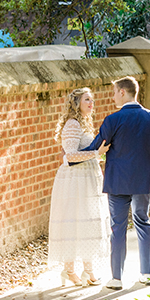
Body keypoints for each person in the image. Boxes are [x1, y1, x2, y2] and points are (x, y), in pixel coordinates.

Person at [83, 76, 150, 290]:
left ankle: (116, 278)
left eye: (114, 92)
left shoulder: (112, 120)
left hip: (118, 182)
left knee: (117, 228)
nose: (112, 97)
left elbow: (96, 145)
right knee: (143, 222)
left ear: (122, 92)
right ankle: (147, 273)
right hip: (143, 182)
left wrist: (73, 157)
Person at [48, 87, 111, 287]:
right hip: (74, 182)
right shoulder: (72, 124)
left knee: (86, 224)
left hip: (86, 180)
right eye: (86, 100)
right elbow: (70, 156)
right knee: (74, 222)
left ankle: (86, 271)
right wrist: (96, 152)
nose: (91, 104)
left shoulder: (83, 124)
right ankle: (71, 271)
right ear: (77, 104)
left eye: (92, 100)